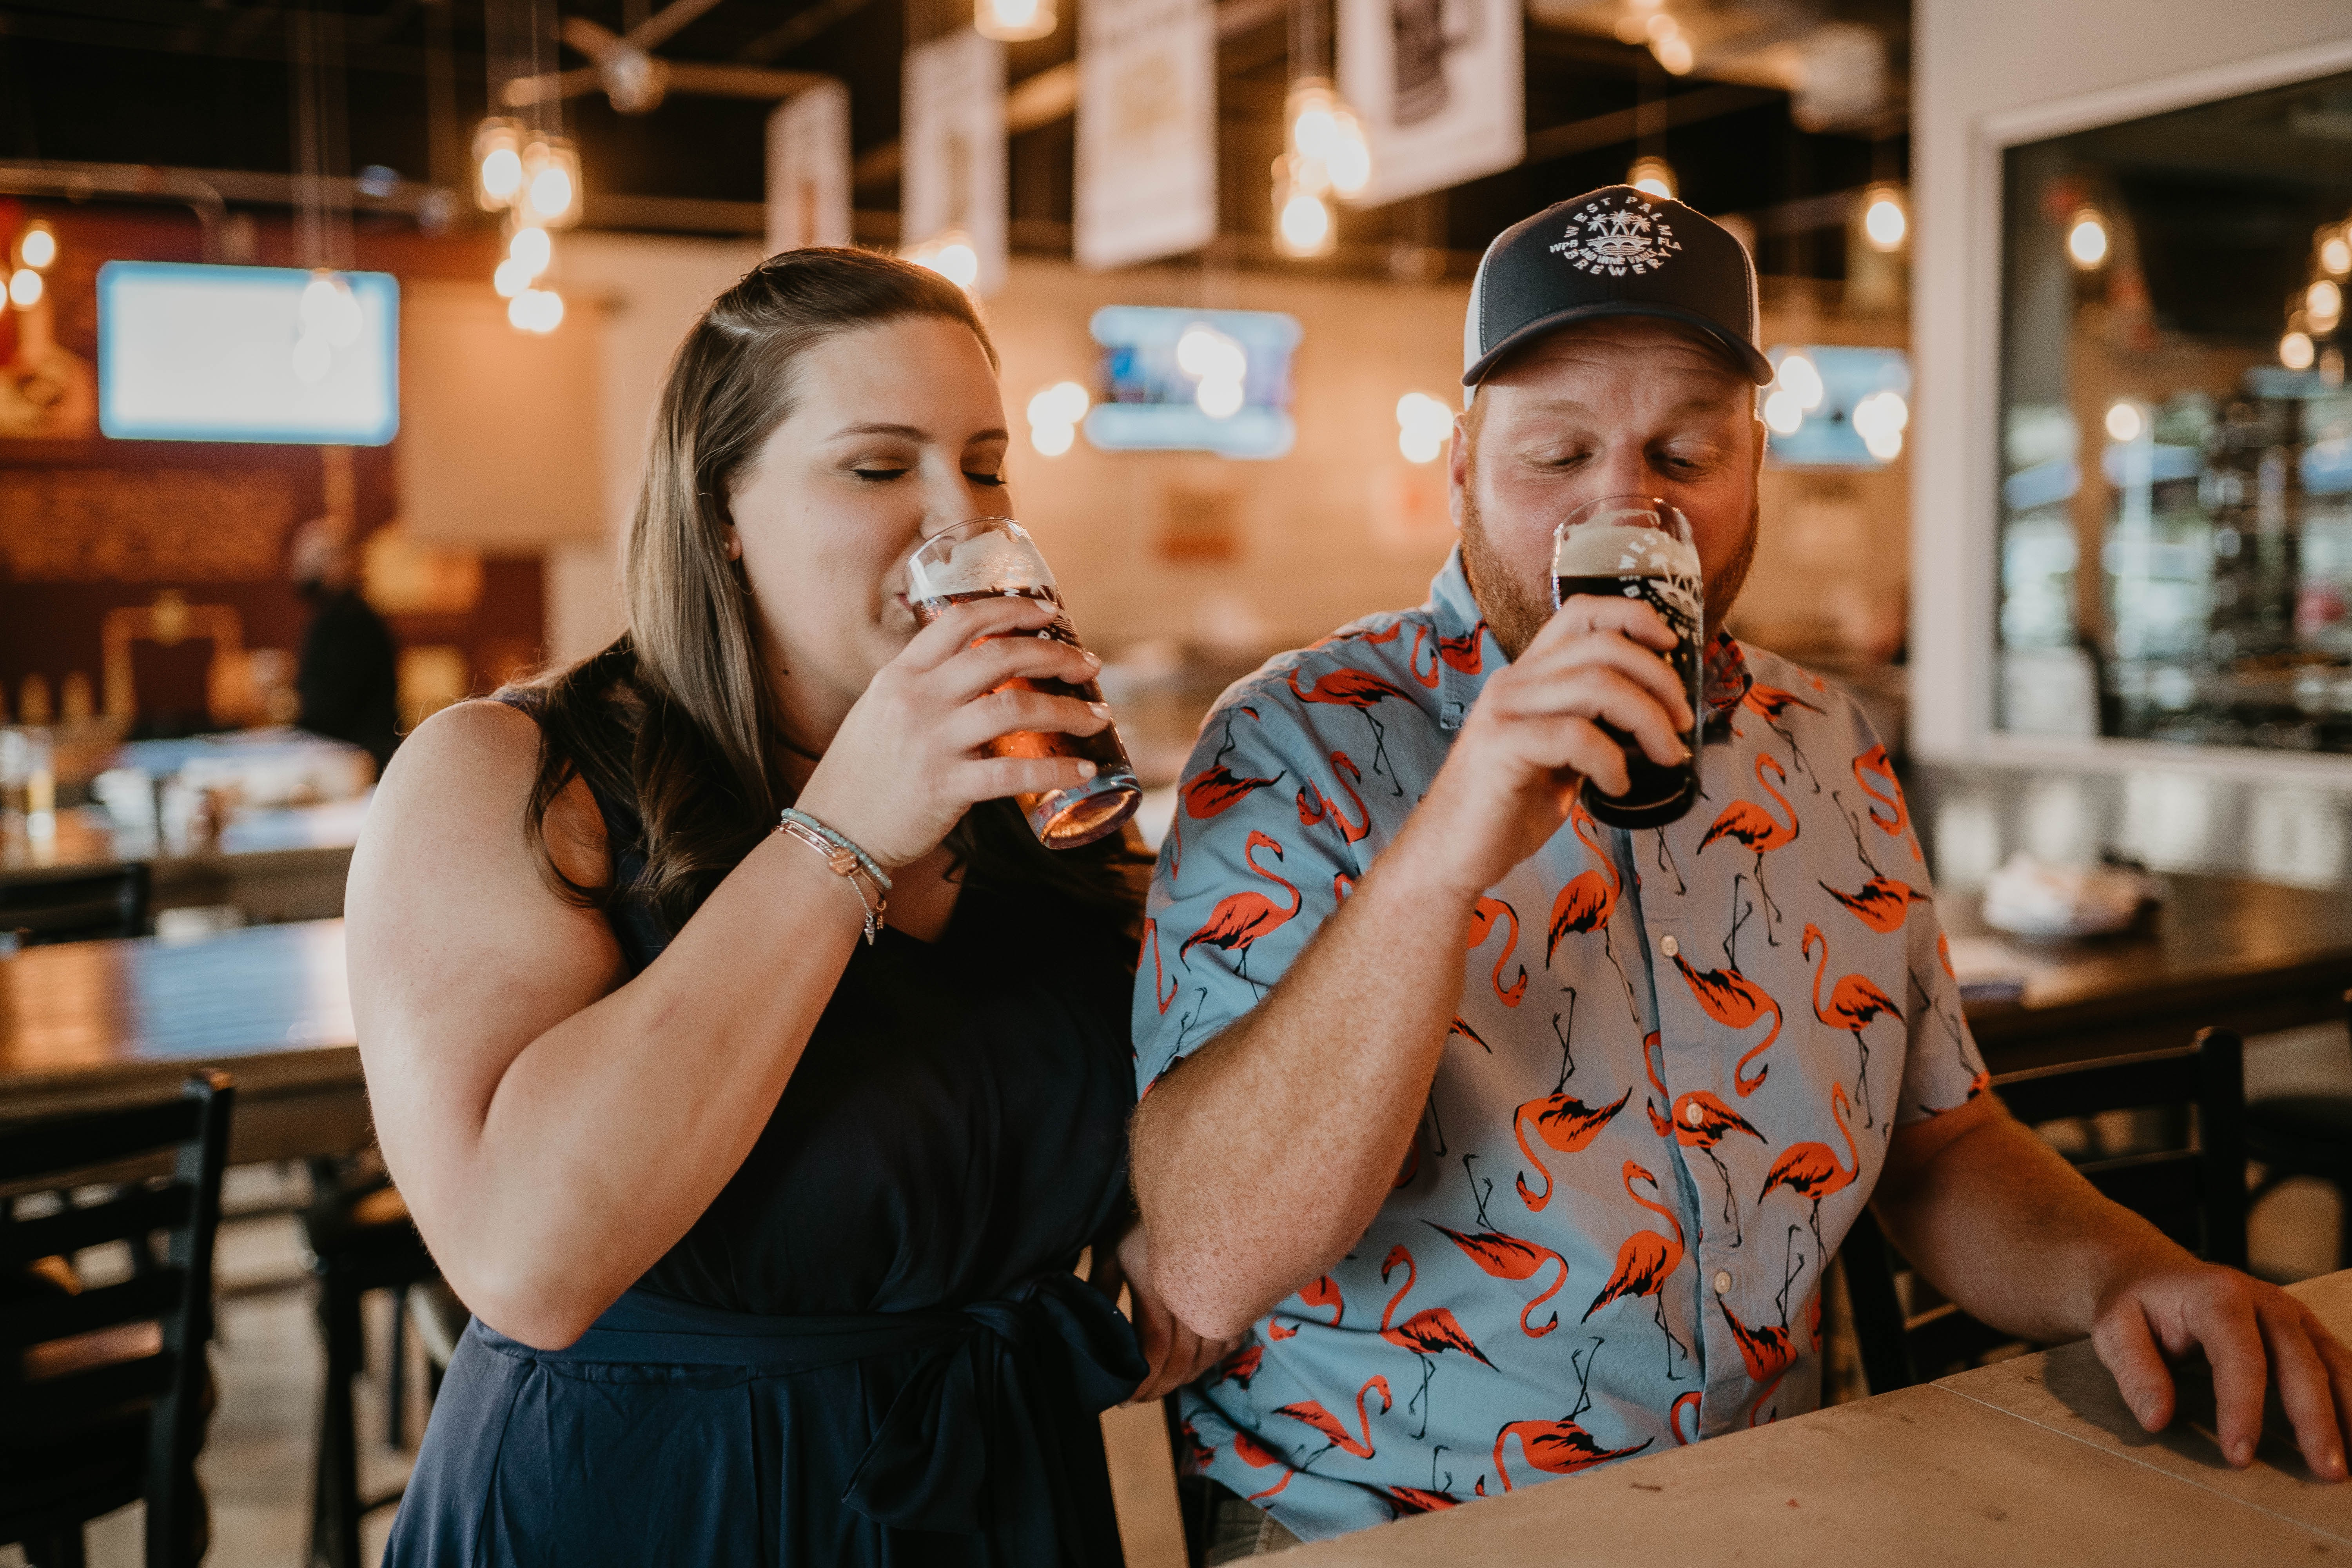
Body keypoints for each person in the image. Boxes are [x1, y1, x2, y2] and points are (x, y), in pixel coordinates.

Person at [1128, 186, 2352, 1554]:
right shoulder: (1295, 741)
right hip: (1384, 1526)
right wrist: (1449, 846)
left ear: (1755, 462)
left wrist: (2132, 1269)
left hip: (1771, 1498)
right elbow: (1206, 1263)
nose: (1624, 509)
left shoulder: (1824, 738)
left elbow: (1940, 1143)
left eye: (1686, 452)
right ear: (1463, 466)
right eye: (1558, 457)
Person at [348, 249, 1228, 1568]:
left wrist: (1151, 1204)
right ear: (720, 514)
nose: (956, 520)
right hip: (646, 1507)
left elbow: (1080, 1096)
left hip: (989, 1497)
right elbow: (526, 1262)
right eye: (879, 468)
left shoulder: (1025, 797)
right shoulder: (509, 778)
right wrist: (846, 835)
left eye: (985, 465)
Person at [289, 514, 401, 773]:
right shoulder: (349, 616)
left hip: (352, 759)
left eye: (314, 557)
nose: (300, 566)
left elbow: (333, 703)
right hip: (354, 754)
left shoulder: (348, 620)